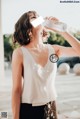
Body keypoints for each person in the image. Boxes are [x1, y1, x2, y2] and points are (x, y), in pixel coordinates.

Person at [11, 11, 80, 119]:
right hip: (29, 109)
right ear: (27, 27)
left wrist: (62, 30)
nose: (40, 18)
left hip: (51, 106)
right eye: (34, 17)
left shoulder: (54, 49)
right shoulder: (20, 53)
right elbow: (16, 90)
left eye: (39, 17)